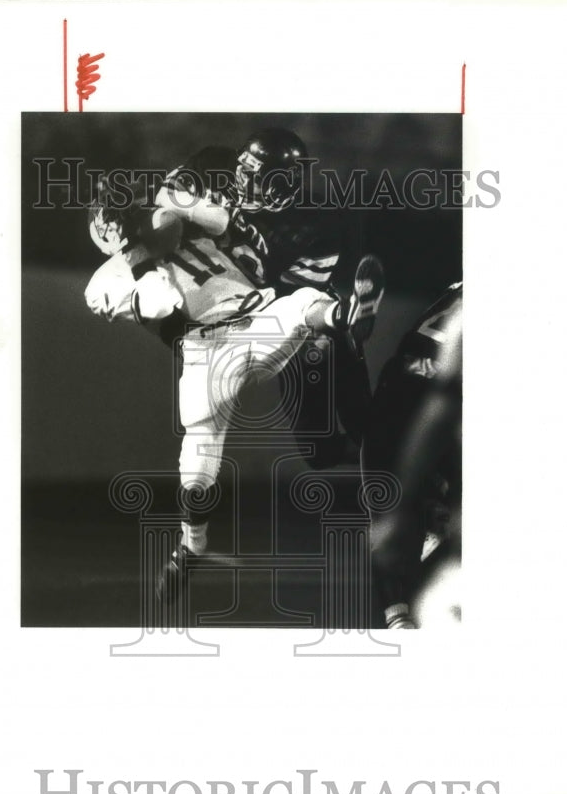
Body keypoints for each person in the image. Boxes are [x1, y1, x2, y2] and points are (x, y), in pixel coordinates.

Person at [83, 178, 385, 605]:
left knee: (302, 302)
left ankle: (346, 317)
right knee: (198, 469)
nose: (134, 214)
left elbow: (221, 218)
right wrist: (136, 253)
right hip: (205, 349)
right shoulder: (102, 283)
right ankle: (193, 545)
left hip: (257, 315)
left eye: (132, 208)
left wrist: (175, 205)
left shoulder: (179, 224)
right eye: (123, 214)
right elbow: (159, 304)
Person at [155, 128, 376, 465]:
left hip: (297, 315)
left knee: (363, 422)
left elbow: (292, 299)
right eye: (241, 168)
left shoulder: (316, 224)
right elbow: (165, 193)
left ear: (282, 185)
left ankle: (344, 318)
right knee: (320, 454)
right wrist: (211, 216)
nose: (239, 179)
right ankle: (389, 459)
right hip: (243, 305)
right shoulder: (214, 163)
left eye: (253, 176)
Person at [361, 282, 462, 629]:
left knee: (390, 515)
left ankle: (398, 616)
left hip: (399, 384)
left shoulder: (455, 292)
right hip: (430, 390)